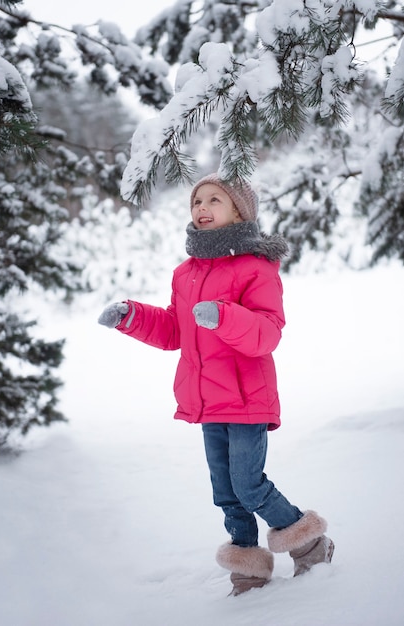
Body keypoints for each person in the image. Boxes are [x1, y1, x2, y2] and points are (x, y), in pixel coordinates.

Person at [98, 173, 334, 596]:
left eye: (214, 200)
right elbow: (176, 330)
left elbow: (268, 332)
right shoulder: (185, 274)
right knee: (225, 492)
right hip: (207, 401)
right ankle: (248, 566)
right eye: (196, 201)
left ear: (239, 211)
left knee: (248, 484)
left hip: (247, 399)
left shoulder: (255, 268)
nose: (202, 208)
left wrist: (224, 317)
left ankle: (311, 543)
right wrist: (131, 316)